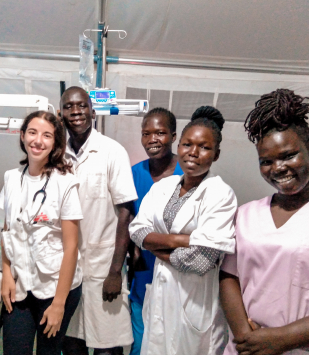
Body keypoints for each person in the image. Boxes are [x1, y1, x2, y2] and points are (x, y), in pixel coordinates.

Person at [220, 89, 309, 355]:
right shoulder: (245, 215)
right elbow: (228, 276)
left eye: (289, 155)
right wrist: (246, 339)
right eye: (266, 161)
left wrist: (282, 340)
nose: (278, 168)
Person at [129, 106, 237, 355]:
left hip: (195, 301)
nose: (194, 153)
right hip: (160, 294)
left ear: (216, 154)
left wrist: (154, 246)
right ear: (179, 147)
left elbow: (201, 261)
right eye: (188, 145)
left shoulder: (221, 194)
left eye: (204, 147)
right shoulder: (163, 187)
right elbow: (136, 230)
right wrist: (183, 239)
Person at [59, 87, 138, 355]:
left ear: (93, 111)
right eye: (69, 106)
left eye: (82, 105)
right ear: (61, 114)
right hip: (67, 268)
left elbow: (126, 212)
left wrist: (116, 271)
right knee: (71, 343)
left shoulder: (112, 151)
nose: (76, 111)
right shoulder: (57, 156)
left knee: (108, 347)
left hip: (104, 266)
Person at [0, 111, 83, 355]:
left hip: (56, 288)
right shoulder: (11, 178)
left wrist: (59, 304)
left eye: (47, 135)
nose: (38, 141)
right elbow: (6, 230)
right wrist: (6, 273)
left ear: (56, 143)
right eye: (33, 133)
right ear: (22, 136)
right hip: (20, 284)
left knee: (48, 352)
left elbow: (71, 248)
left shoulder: (65, 183)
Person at [129, 107, 183, 355]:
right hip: (143, 269)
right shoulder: (135, 173)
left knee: (171, 338)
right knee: (140, 337)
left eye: (160, 133)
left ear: (173, 136)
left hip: (180, 269)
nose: (152, 139)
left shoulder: (189, 172)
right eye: (146, 133)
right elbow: (126, 221)